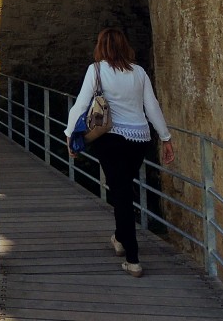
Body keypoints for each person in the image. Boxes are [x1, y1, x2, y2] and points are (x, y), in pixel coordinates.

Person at [65, 28, 175, 278]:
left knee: (121, 192)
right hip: (139, 139)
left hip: (110, 139)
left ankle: (133, 258)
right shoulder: (139, 72)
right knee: (123, 189)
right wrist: (165, 137)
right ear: (125, 46)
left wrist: (70, 135)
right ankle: (119, 238)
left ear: (101, 46)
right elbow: (152, 106)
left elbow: (81, 104)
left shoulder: (96, 70)